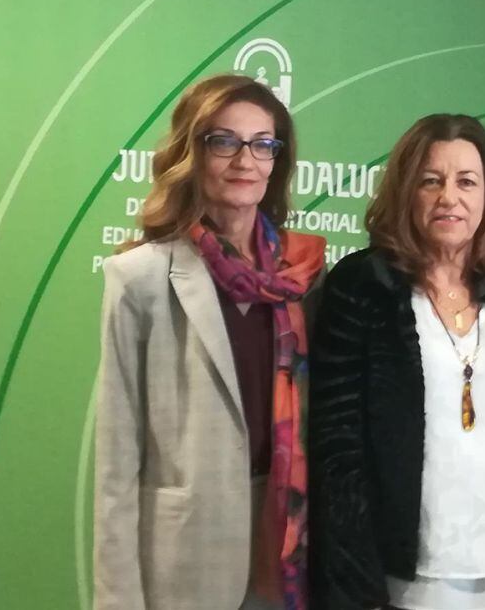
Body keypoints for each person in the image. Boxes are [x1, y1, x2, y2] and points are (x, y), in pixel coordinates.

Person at [94, 74, 326, 610]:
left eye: (262, 144)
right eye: (224, 141)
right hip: (185, 561)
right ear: (191, 153)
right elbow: (116, 467)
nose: (245, 160)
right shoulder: (140, 279)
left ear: (277, 160)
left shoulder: (305, 277)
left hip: (287, 544)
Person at [309, 114, 485, 610]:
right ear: (406, 192)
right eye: (431, 181)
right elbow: (337, 448)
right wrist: (356, 582)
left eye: (467, 181)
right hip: (400, 578)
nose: (450, 197)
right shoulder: (363, 286)